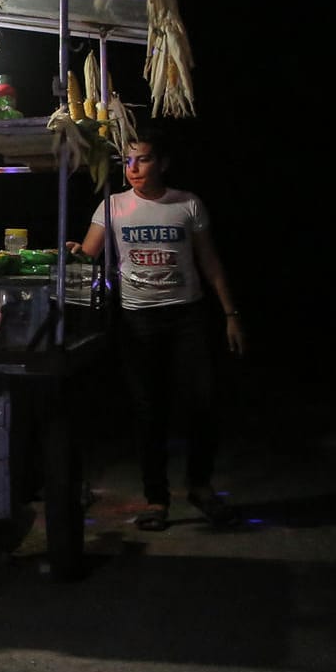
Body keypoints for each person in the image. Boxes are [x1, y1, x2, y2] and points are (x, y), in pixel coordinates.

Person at [70, 128, 244, 532]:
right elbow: (87, 253)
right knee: (149, 412)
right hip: (137, 321)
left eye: (143, 159)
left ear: (162, 163)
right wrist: (72, 253)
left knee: (203, 402)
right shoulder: (112, 206)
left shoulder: (187, 204)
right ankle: (155, 499)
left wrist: (231, 315)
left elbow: (210, 262)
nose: (133, 168)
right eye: (127, 161)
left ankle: (200, 486)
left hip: (187, 317)